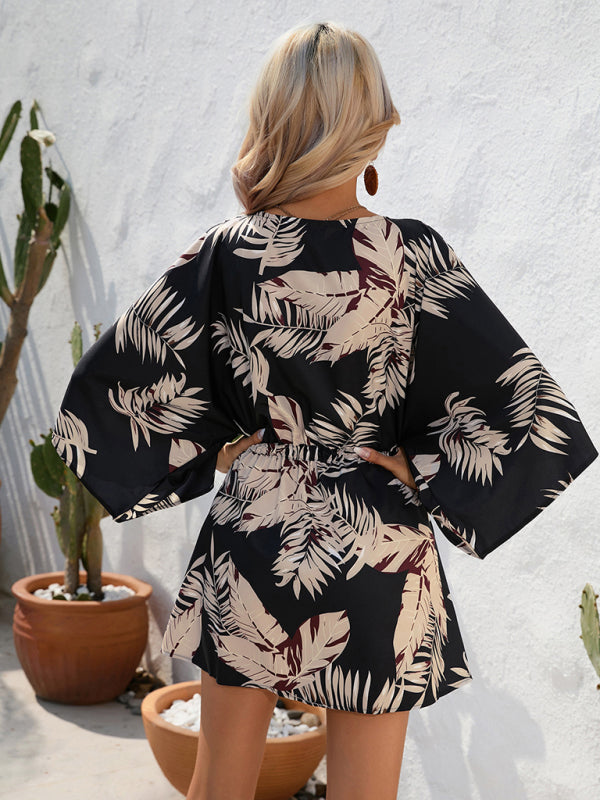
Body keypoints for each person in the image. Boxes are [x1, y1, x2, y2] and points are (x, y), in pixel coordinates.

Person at [50, 20, 598, 800]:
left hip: (256, 530)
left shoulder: (229, 253)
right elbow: (526, 408)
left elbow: (119, 381)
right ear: (372, 127)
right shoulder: (412, 254)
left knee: (219, 786)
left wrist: (217, 454)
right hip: (379, 539)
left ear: (271, 122)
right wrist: (424, 473)